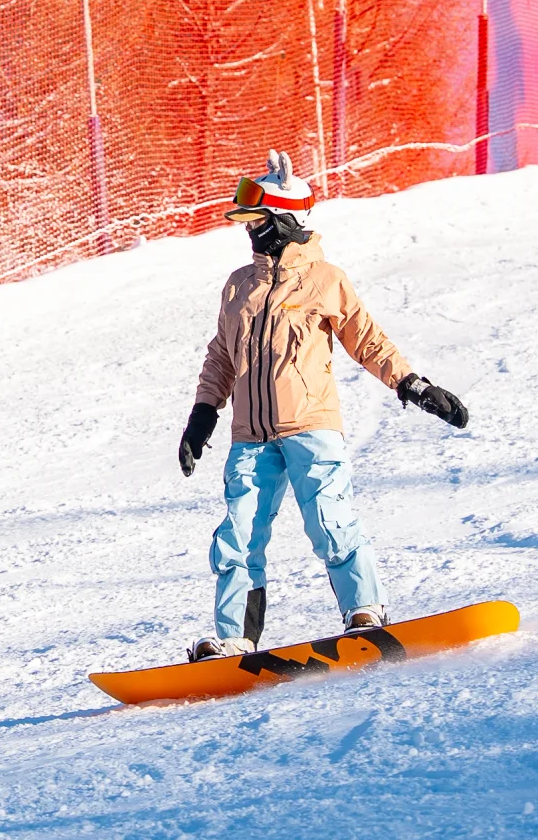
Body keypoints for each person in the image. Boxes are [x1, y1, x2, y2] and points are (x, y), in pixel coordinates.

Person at [179, 149, 469, 662]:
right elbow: (221, 353)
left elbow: (368, 340)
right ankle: (235, 637)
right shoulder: (239, 285)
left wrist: (414, 386)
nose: (251, 233)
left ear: (287, 222)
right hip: (250, 434)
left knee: (330, 521)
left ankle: (365, 611)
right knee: (237, 536)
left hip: (310, 425)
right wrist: (203, 413)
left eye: (259, 222)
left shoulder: (325, 279)